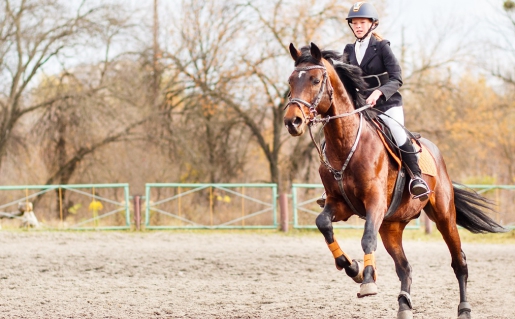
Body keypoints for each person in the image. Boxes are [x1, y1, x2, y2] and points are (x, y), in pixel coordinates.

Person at [317, 1, 429, 207]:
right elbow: (343, 80)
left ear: (372, 24)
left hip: (387, 104)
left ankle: (416, 177)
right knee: (334, 138)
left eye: (362, 22)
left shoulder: (382, 47)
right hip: (361, 106)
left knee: (396, 131)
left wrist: (379, 92)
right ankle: (332, 188)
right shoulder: (349, 49)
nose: (358, 26)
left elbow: (397, 78)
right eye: (355, 23)